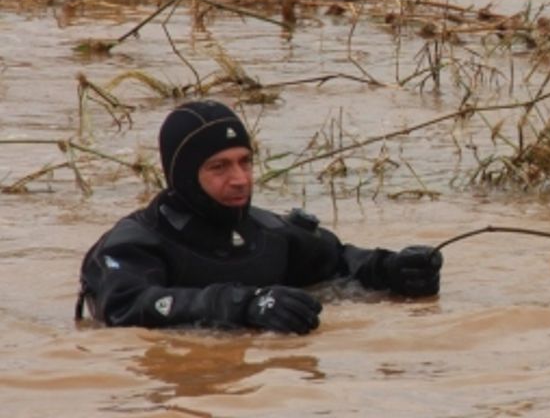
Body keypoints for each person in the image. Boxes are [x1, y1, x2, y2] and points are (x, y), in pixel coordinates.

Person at [77, 99, 443, 333]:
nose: (239, 179)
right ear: (184, 176)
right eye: (219, 167)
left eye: (245, 162)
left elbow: (341, 263)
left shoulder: (270, 233)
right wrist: (245, 305)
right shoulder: (134, 244)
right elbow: (125, 308)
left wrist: (392, 269)